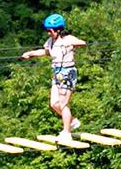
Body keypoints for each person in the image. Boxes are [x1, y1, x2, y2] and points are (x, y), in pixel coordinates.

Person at [20, 13, 87, 143]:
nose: (48, 33)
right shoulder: (51, 42)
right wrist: (30, 54)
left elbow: (83, 43)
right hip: (57, 74)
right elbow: (45, 52)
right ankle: (72, 121)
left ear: (58, 30)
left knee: (63, 104)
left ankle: (67, 132)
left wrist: (70, 43)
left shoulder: (68, 39)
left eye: (50, 31)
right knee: (54, 104)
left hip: (68, 73)